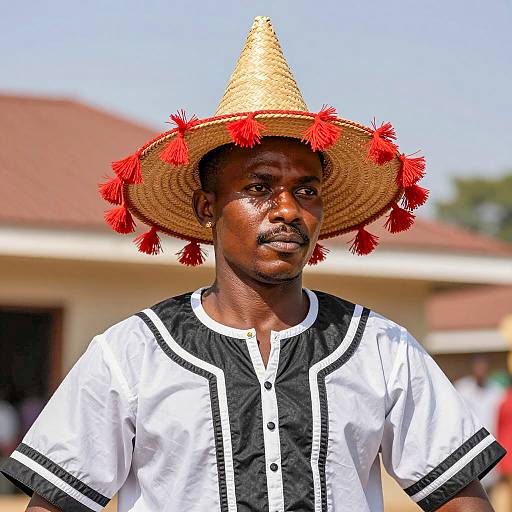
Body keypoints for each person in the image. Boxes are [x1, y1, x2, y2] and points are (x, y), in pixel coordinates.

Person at [0, 16, 505, 512]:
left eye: (305, 190)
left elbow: (462, 502)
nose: (288, 209)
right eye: (259, 188)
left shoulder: (381, 349)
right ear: (207, 208)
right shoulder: (130, 355)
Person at [455, 355, 505, 490]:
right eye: (478, 367)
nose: (480, 370)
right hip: (468, 450)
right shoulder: (462, 389)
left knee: (489, 494)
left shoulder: (497, 391)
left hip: (492, 448)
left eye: (483, 367)